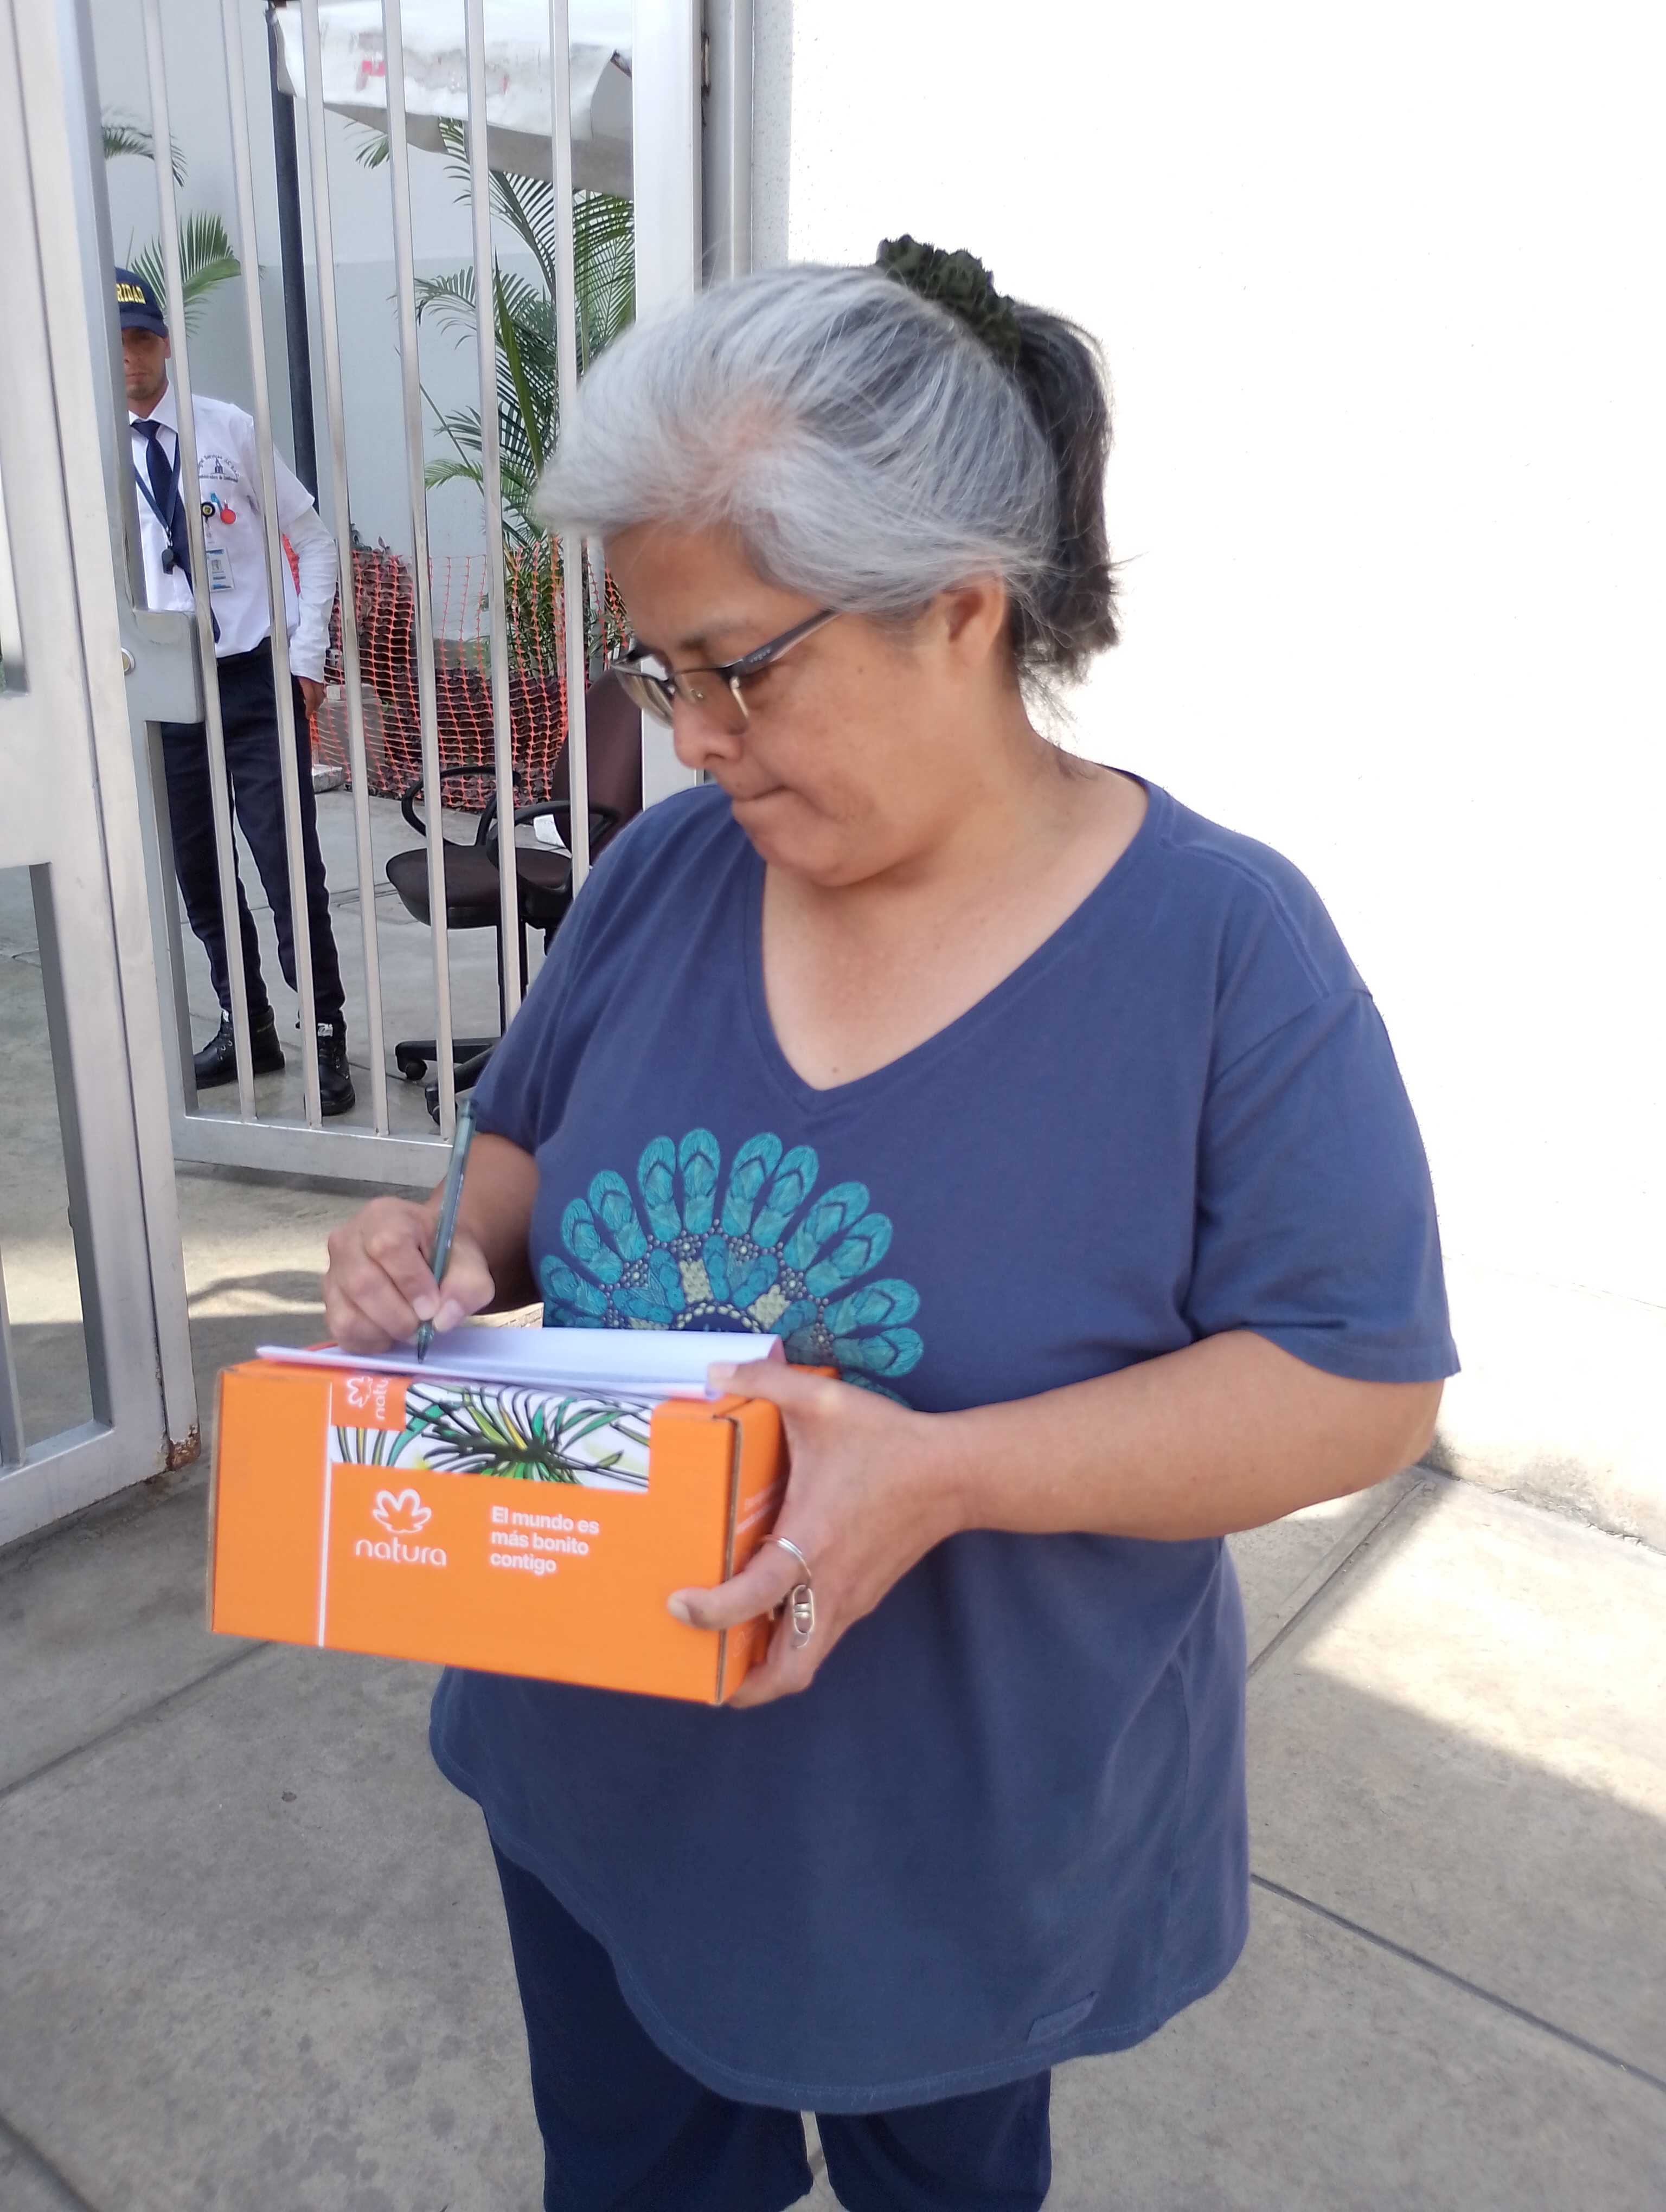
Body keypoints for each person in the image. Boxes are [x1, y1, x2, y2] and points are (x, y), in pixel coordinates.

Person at [322, 241, 1458, 2211]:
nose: (692, 736)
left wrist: (945, 1476)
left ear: (958, 605)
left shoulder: (1218, 953)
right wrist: (448, 1261)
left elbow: (1357, 1385)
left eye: (740, 667)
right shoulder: (668, 875)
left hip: (953, 1855)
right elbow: (522, 1147)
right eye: (657, 673)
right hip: (601, 1776)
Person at [117, 266, 354, 1113]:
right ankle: (247, 1024)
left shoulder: (228, 432)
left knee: (290, 871)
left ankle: (324, 1031)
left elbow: (314, 543)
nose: (130, 357)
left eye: (142, 338)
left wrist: (307, 658)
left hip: (253, 684)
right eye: (115, 344)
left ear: (165, 343)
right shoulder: (92, 459)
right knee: (201, 877)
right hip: (164, 692)